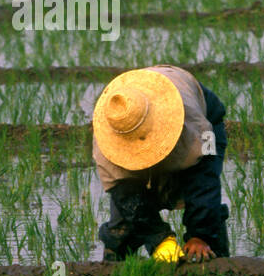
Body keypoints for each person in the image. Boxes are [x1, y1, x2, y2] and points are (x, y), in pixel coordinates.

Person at [92, 65, 230, 263]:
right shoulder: (107, 136)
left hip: (199, 113)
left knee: (205, 212)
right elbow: (125, 193)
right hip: (137, 109)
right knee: (124, 222)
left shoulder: (198, 127)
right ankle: (114, 261)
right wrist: (160, 239)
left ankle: (215, 256)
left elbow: (204, 176)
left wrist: (200, 235)